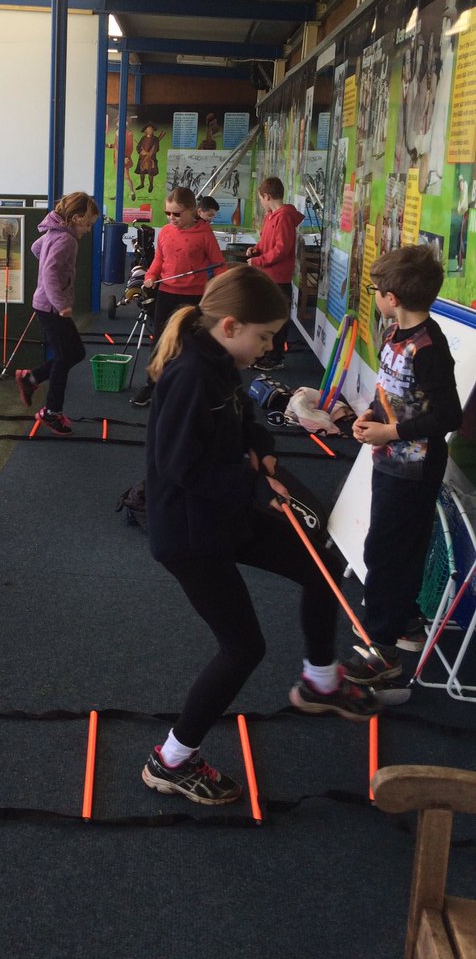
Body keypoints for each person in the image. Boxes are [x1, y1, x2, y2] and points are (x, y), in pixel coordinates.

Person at [141, 265, 378, 805]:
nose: (269, 347)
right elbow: (181, 467)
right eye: (264, 337)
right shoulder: (188, 375)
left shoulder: (220, 362)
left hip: (226, 515)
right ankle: (170, 761)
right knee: (243, 648)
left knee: (323, 563)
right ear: (230, 326)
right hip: (190, 535)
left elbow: (243, 416)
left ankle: (320, 679)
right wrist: (253, 485)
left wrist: (261, 448)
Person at [343, 246, 462, 686]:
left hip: (414, 469)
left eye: (376, 289)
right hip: (390, 462)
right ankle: (403, 621)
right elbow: (392, 393)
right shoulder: (396, 334)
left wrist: (390, 434)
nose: (375, 296)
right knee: (383, 548)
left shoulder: (429, 347)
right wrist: (370, 417)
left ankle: (383, 652)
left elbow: (446, 417)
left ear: (392, 296)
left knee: (391, 553)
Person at [15, 191, 99, 436]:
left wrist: (51, 272)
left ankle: (31, 379)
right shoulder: (67, 240)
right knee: (66, 355)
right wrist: (61, 302)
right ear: (74, 218)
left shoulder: (55, 233)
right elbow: (51, 274)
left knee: (74, 352)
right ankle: (51, 412)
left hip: (46, 304)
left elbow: (35, 248)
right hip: (51, 307)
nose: (88, 230)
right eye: (87, 224)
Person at [130, 187, 223, 407]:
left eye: (177, 214)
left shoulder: (204, 233)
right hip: (168, 294)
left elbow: (219, 265)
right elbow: (159, 261)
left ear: (192, 211)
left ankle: (195, 389)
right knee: (161, 342)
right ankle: (152, 385)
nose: (172, 218)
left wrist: (219, 291)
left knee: (194, 344)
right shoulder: (166, 232)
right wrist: (151, 275)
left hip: (195, 297)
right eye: (168, 213)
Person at [245, 176, 303, 371]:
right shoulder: (271, 216)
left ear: (267, 196)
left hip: (278, 277)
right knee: (266, 317)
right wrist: (255, 250)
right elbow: (265, 242)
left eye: (261, 198)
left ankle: (275, 357)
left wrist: (259, 261)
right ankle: (265, 354)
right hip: (267, 276)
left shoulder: (284, 217)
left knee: (277, 319)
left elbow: (281, 249)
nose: (261, 202)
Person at [135, 124, 166, 194]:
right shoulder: (143, 138)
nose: (150, 130)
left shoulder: (155, 139)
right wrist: (141, 152)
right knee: (141, 172)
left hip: (151, 159)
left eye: (151, 129)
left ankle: (151, 185)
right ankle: (142, 184)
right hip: (142, 158)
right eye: (148, 129)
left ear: (153, 130)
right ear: (145, 130)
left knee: (150, 173)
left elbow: (156, 149)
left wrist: (149, 154)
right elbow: (138, 147)